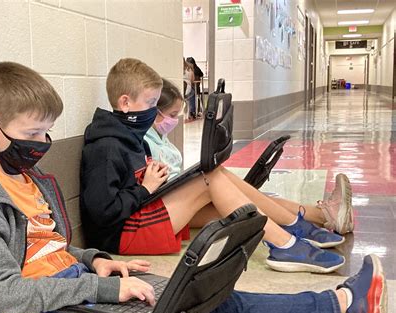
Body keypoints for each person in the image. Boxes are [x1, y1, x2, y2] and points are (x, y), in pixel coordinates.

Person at [0, 61, 387, 313]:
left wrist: (98, 263)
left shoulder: (29, 180)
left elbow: (47, 248)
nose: (43, 145)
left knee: (206, 298)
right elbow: (7, 293)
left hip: (77, 282)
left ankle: (341, 302)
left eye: (47, 133)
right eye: (33, 134)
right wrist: (105, 291)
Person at [81, 58, 350, 274]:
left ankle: (295, 224)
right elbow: (102, 213)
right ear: (125, 102)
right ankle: (285, 245)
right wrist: (146, 189)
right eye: (150, 103)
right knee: (209, 179)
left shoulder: (127, 135)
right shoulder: (106, 146)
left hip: (139, 214)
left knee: (218, 179)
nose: (154, 111)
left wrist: (156, 183)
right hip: (121, 234)